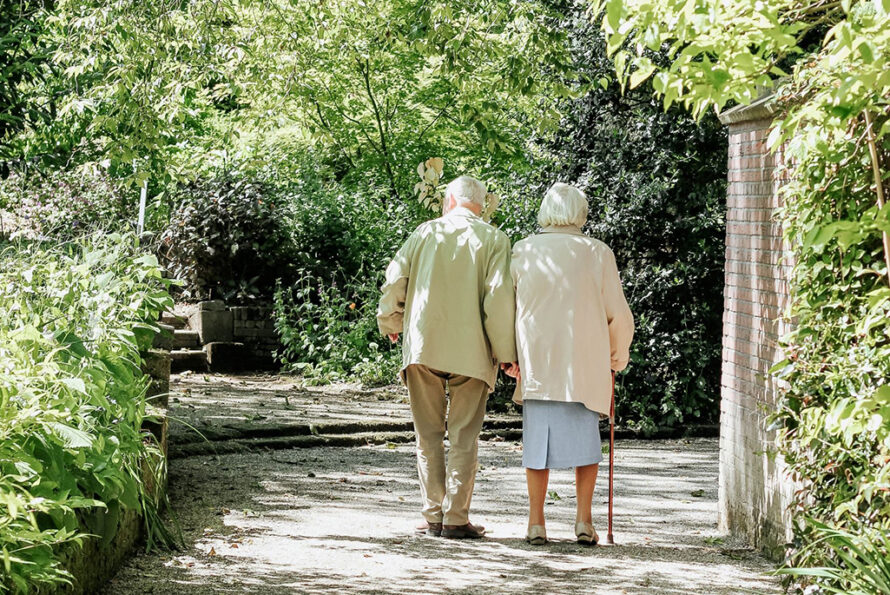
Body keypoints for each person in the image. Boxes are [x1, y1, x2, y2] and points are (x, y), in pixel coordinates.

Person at [377, 175, 517, 539]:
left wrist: (390, 320)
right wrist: (506, 353)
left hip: (424, 346)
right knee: (464, 436)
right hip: (473, 351)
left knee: (427, 435)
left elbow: (395, 280)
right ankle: (456, 519)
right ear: (481, 205)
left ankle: (433, 515)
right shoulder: (495, 239)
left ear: (449, 201)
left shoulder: (424, 233)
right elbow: (499, 300)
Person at [506, 182, 634, 546]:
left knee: (536, 446)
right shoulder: (597, 253)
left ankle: (535, 522)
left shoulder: (524, 250)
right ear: (581, 213)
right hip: (585, 364)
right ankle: (583, 520)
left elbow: (508, 309)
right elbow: (618, 315)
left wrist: (509, 356)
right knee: (586, 445)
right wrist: (616, 355)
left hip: (539, 363)